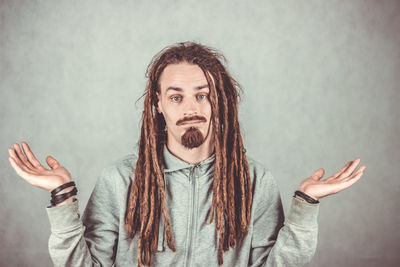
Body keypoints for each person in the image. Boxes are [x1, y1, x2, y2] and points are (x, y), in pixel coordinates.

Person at [8, 41, 366, 267]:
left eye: (203, 94)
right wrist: (62, 199)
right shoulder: (119, 181)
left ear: (220, 101)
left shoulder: (255, 181)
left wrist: (305, 206)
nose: (191, 107)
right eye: (176, 96)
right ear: (158, 104)